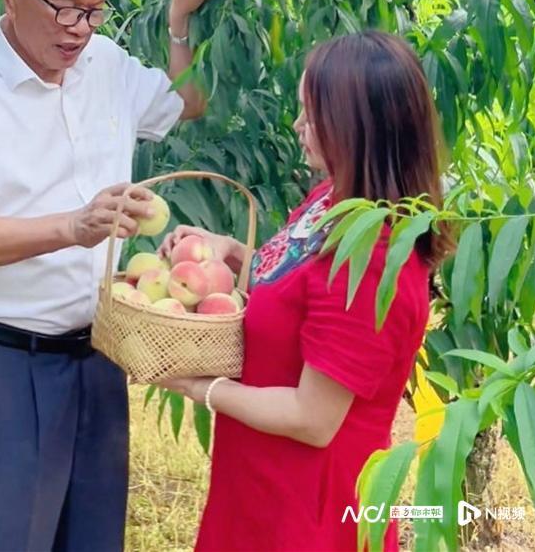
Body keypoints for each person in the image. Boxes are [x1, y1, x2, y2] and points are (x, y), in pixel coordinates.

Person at [0, 0, 228, 552]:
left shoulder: (105, 65)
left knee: (91, 538)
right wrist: (72, 226)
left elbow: (185, 102)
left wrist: (178, 21)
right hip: (7, 364)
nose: (80, 31)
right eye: (64, 9)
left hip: (98, 359)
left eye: (95, 11)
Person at [159, 30, 453, 552]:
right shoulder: (335, 200)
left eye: (312, 116)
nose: (298, 127)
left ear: (358, 128)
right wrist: (230, 252)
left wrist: (199, 387)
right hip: (259, 485)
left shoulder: (372, 255)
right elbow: (297, 294)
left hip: (308, 511)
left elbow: (313, 419)